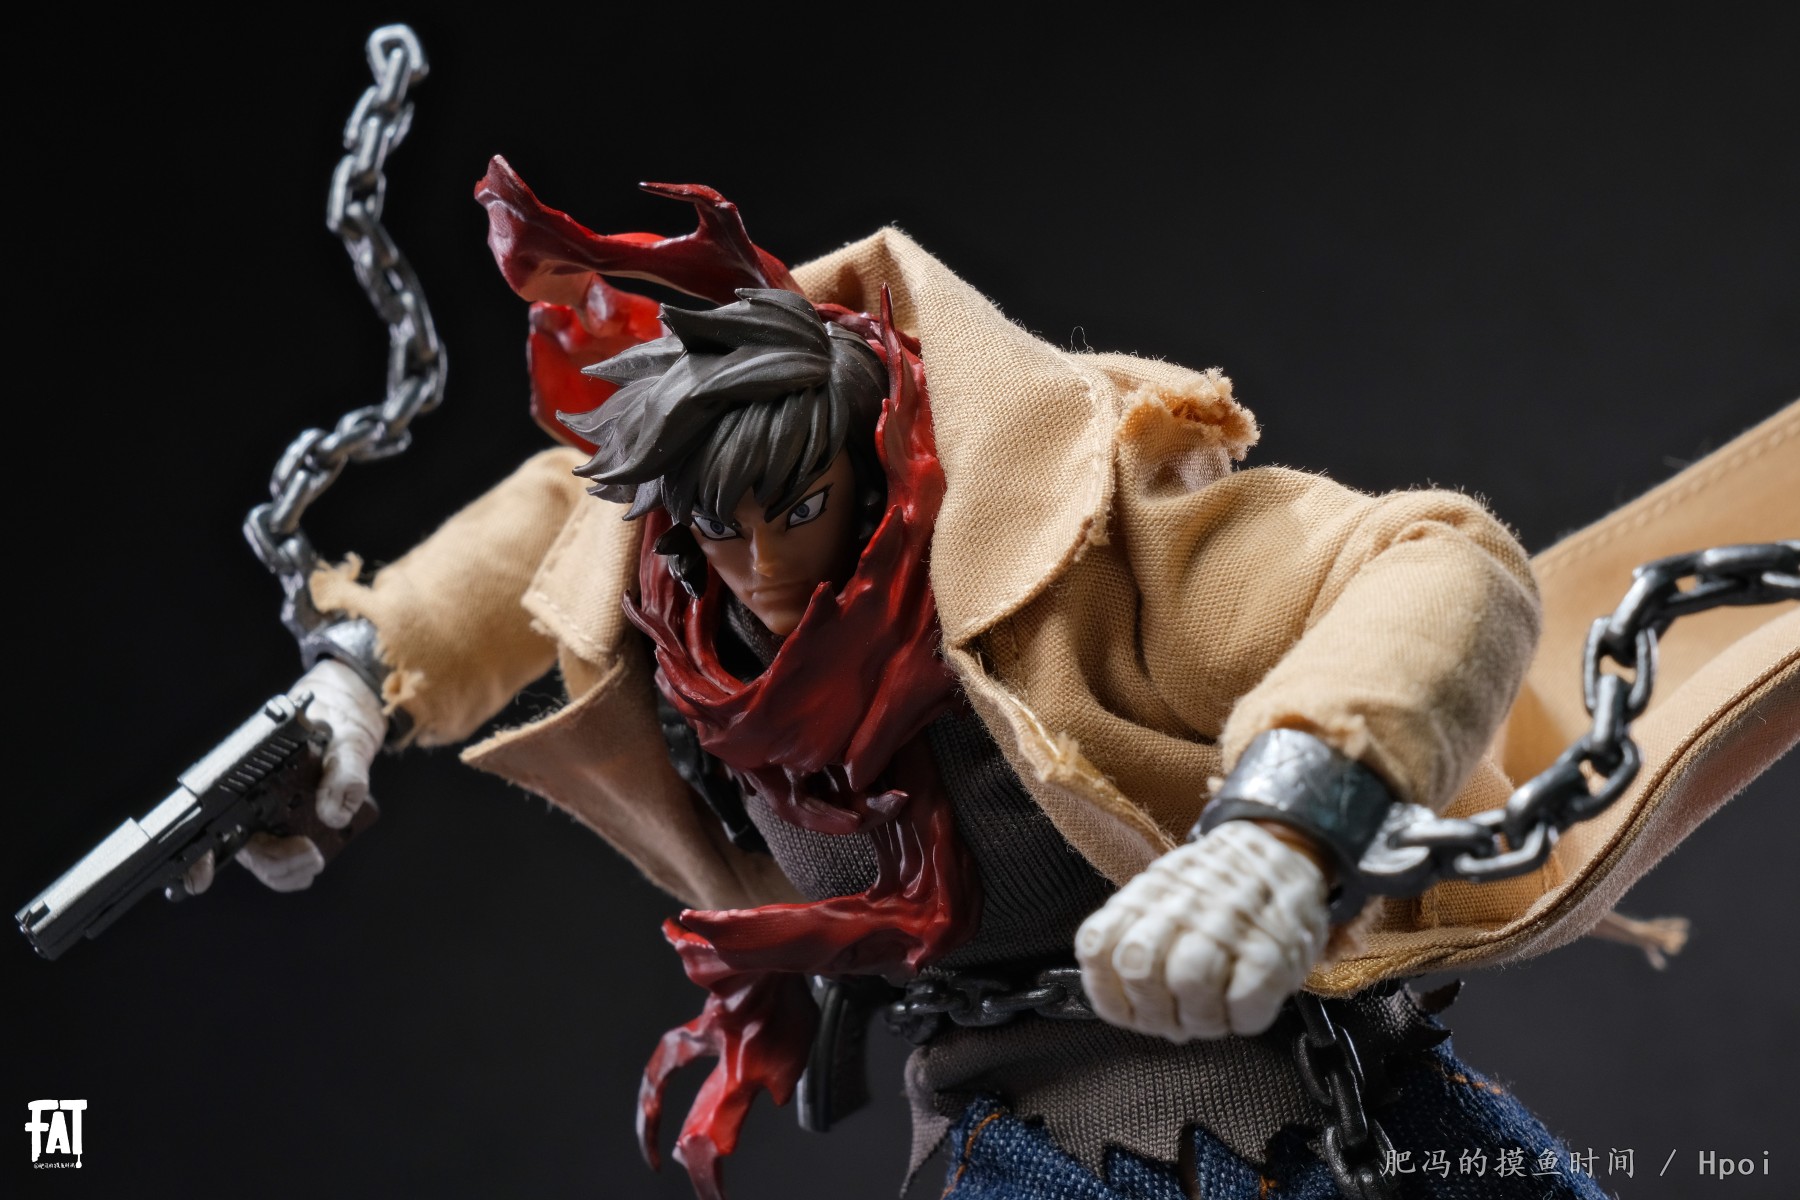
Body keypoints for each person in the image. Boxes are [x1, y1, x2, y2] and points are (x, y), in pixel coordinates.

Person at [207, 163, 1799, 1200]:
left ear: (874, 456)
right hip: (1008, 1129)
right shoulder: (668, 562)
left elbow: (1438, 563)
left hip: (1282, 1091)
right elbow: (541, 522)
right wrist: (359, 683)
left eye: (797, 512)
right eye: (715, 527)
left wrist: (1281, 826)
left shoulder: (1080, 552)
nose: (757, 570)